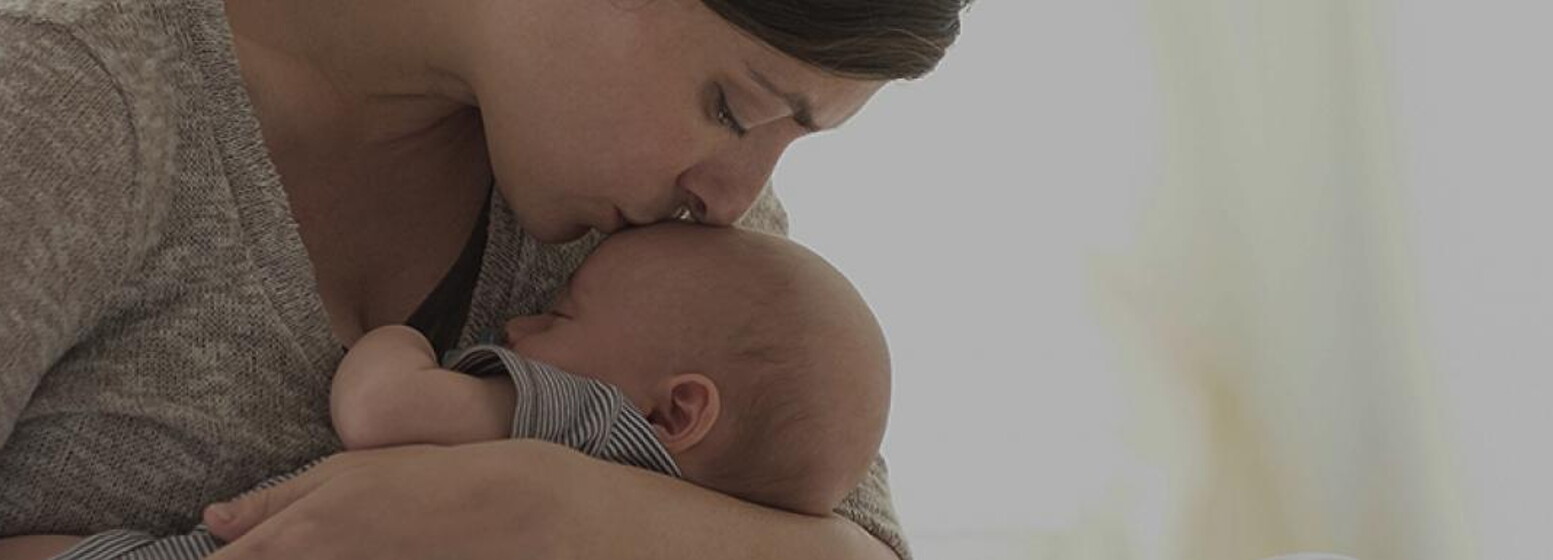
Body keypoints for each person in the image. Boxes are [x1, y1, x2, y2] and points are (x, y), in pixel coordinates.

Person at [0, 0, 966, 556]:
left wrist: (547, 508)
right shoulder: (72, 100)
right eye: (730, 108)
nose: (730, 197)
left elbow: (854, 546)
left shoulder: (655, 226)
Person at [7, 224, 892, 560]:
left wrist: (396, 338)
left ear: (675, 412)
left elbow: (382, 414)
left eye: (561, 309)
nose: (522, 329)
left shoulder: (589, 424)